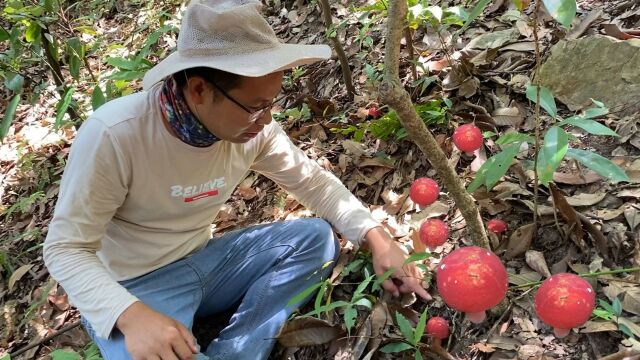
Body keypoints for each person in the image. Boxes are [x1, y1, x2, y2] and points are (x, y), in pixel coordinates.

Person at [43, 1, 430, 359]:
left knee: (314, 238)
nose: (265, 121)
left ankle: (236, 350)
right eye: (255, 107)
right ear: (198, 90)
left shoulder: (252, 131)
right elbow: (65, 248)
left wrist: (378, 239)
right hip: (136, 287)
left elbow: (313, 184)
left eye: (270, 105)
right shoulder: (117, 135)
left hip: (208, 262)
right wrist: (130, 315)